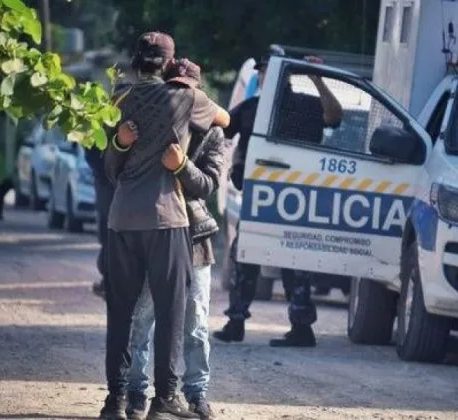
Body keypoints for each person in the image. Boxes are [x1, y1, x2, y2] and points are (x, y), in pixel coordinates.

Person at [99, 31, 228, 420]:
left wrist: (122, 142)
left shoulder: (119, 98)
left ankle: (115, 401)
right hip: (165, 219)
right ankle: (164, 399)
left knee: (120, 313)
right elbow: (225, 117)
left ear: (136, 60)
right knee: (173, 313)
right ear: (170, 64)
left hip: (121, 219)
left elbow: (109, 171)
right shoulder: (187, 98)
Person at [213, 54, 343, 348]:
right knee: (244, 257)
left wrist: (317, 79)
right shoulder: (251, 108)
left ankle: (301, 328)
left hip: (295, 199)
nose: (265, 78)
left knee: (296, 261)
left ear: (286, 77)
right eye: (262, 74)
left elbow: (334, 116)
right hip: (260, 198)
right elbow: (221, 128)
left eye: (272, 74)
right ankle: (236, 322)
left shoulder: (308, 105)